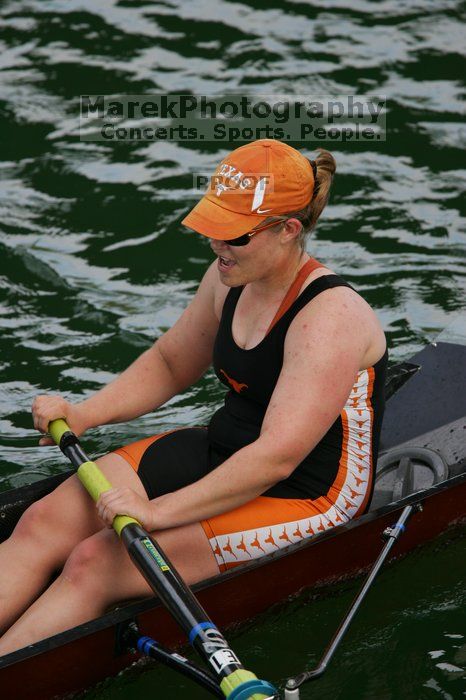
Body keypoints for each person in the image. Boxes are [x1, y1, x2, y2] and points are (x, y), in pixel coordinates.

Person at [0, 139, 387, 656]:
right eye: (212, 228)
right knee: (44, 521)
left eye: (234, 235)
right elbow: (169, 363)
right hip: (225, 449)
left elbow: (277, 457)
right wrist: (84, 413)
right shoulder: (229, 277)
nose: (216, 245)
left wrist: (156, 514)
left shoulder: (330, 317)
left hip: (307, 491)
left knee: (99, 560)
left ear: (288, 230)